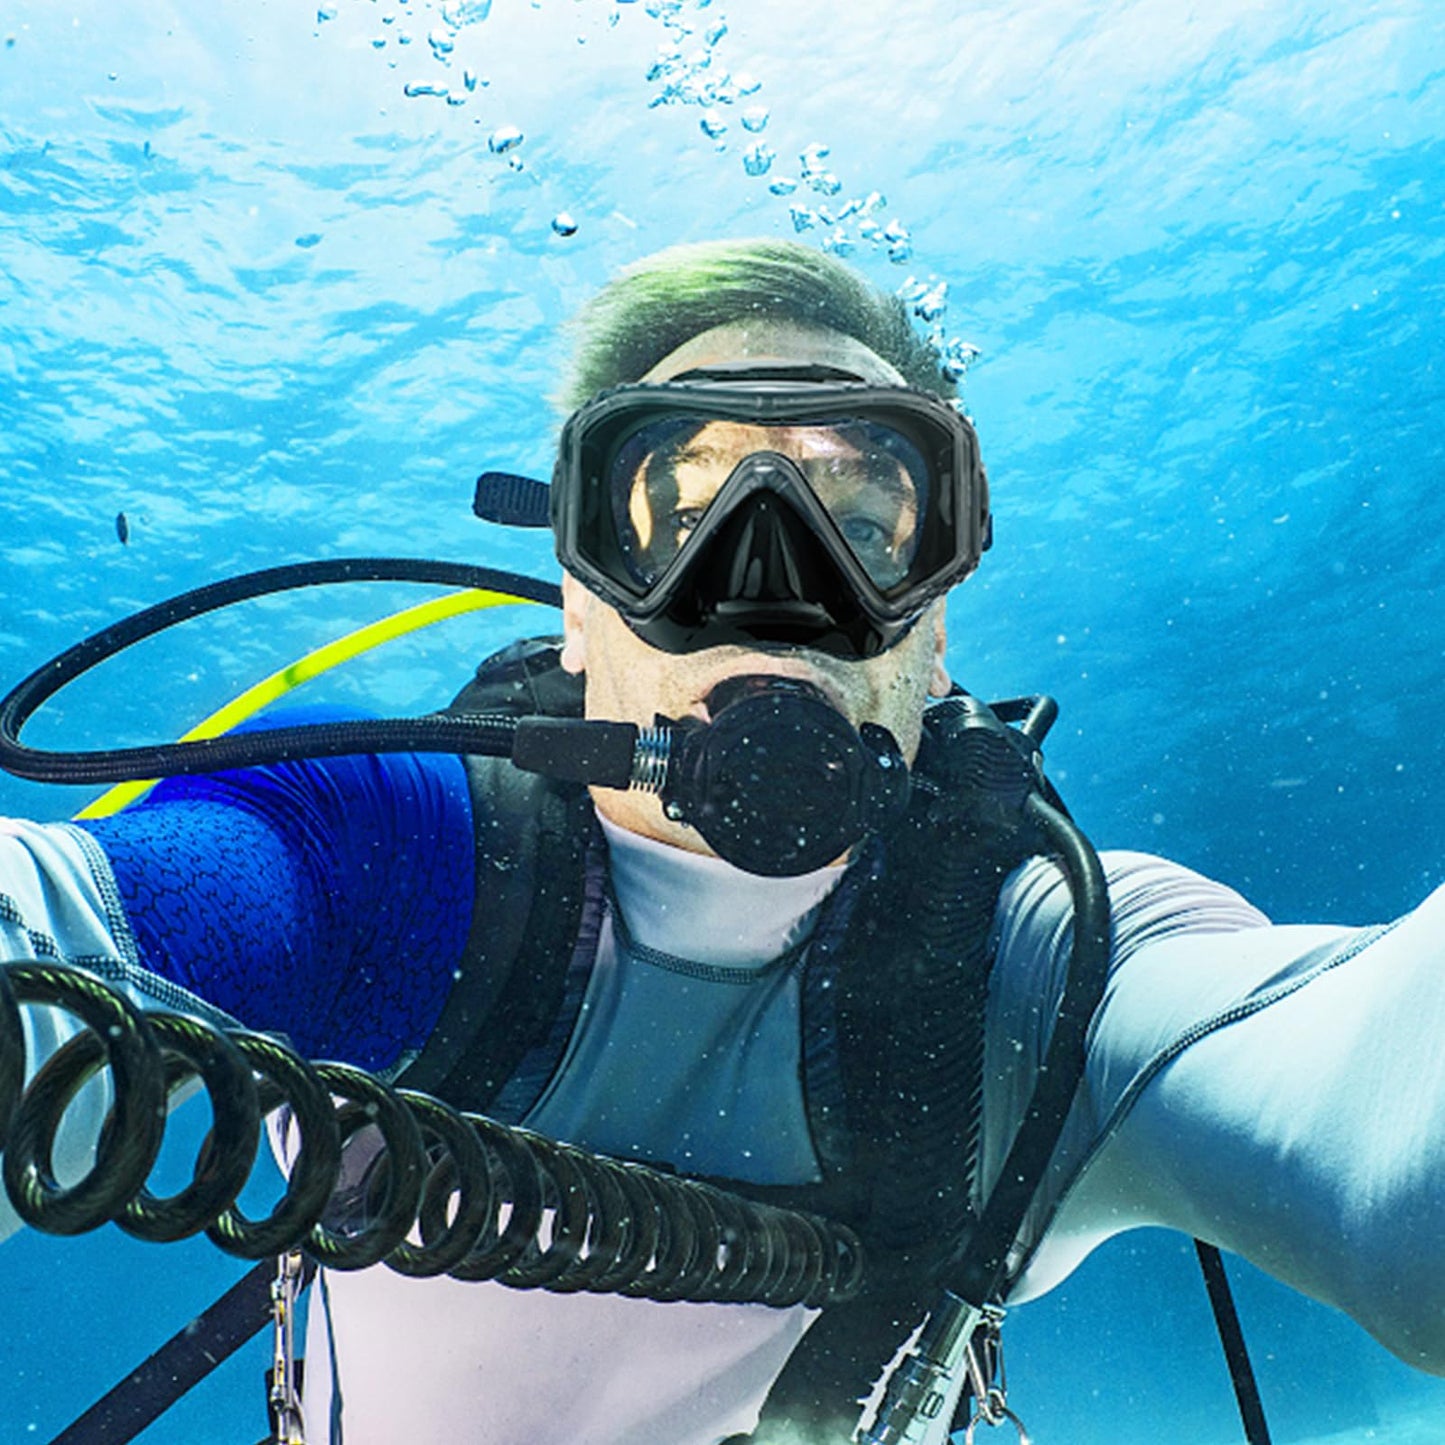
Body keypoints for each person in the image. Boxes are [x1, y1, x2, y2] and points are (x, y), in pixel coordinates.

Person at [2, 236, 1444, 1445]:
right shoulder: (386, 860)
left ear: (932, 627)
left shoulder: (1038, 969)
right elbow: (69, 922)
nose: (770, 592)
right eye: (682, 512)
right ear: (578, 599)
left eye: (864, 517)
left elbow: (1372, 1106)